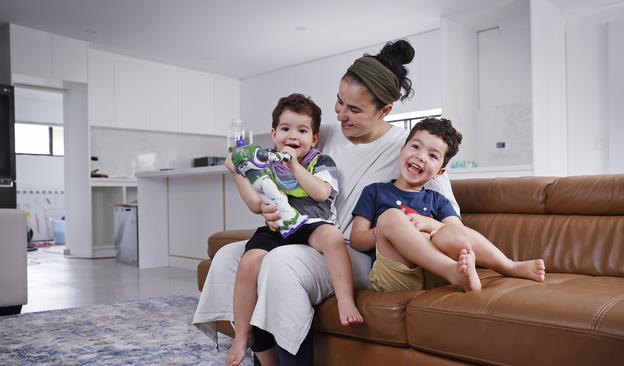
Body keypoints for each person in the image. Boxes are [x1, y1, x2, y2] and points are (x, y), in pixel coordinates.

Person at [193, 39, 459, 365]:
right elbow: (284, 164)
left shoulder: (409, 149)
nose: (341, 114)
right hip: (308, 233)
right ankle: (259, 352)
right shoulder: (328, 132)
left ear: (385, 111)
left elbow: (448, 217)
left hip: (355, 252)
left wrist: (421, 228)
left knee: (281, 265)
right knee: (230, 256)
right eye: (339, 101)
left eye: (354, 109)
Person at [224, 93, 363, 366]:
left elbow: (322, 193)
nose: (292, 136)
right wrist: (237, 172)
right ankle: (242, 335)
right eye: (285, 129)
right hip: (277, 228)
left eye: (302, 130)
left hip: (312, 224)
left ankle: (346, 300)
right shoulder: (266, 165)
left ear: (313, 139)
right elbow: (255, 203)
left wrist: (295, 166)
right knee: (248, 263)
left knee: (333, 237)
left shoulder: (321, 162)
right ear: (274, 134)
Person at [350, 118, 546, 293]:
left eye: (433, 156)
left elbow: (460, 235)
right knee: (391, 216)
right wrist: (385, 229)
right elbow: (357, 239)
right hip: (397, 274)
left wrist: (427, 223)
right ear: (402, 150)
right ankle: (452, 272)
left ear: (440, 172)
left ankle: (509, 266)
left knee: (448, 232)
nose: (421, 156)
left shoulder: (438, 200)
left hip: (434, 275)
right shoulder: (375, 192)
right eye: (416, 146)